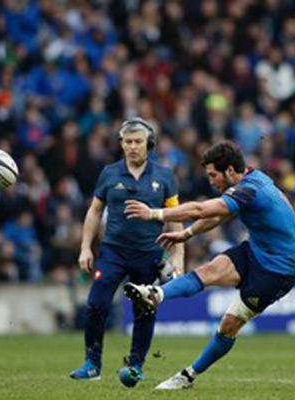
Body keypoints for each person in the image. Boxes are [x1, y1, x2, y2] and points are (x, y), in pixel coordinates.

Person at [124, 140, 295, 390]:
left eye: (213, 175)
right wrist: (186, 235)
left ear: (229, 170)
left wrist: (154, 214)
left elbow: (201, 209)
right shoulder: (250, 180)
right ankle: (156, 293)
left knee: (229, 326)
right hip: (257, 251)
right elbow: (222, 215)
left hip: (277, 271)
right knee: (210, 270)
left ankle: (187, 376)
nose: (210, 181)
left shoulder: (250, 190)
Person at [69, 118, 184, 387]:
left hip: (149, 254)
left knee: (145, 311)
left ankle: (136, 366)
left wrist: (178, 259)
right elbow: (95, 211)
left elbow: (175, 220)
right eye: (128, 142)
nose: (133, 147)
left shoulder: (165, 176)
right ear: (121, 144)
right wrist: (85, 247)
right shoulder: (109, 173)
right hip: (113, 252)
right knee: (96, 304)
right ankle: (92, 364)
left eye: (138, 142)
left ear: (149, 144)